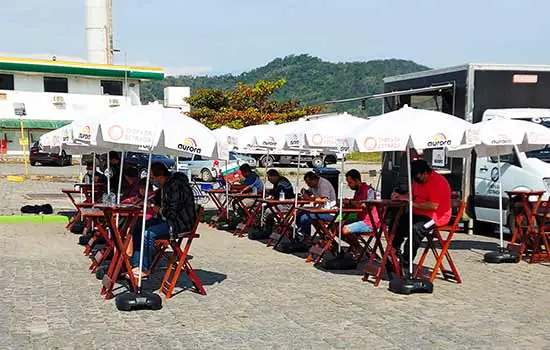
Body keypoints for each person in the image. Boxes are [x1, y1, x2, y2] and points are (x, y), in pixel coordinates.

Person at [130, 163, 196, 279]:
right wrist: (145, 201)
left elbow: (171, 212)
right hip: (167, 220)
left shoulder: (175, 186)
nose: (152, 181)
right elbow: (156, 200)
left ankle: (145, 269)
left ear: (160, 175)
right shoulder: (165, 186)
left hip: (178, 224)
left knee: (148, 234)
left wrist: (157, 209)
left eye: (152, 178)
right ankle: (136, 265)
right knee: (138, 227)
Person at [391, 159, 452, 273]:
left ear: (425, 173)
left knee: (416, 229)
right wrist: (401, 196)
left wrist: (412, 203)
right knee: (398, 220)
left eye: (418, 178)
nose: (416, 181)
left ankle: (406, 261)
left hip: (435, 217)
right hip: (419, 214)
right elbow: (412, 195)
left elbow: (433, 206)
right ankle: (393, 249)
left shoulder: (438, 182)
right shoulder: (418, 181)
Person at [341, 169, 379, 254]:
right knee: (336, 226)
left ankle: (359, 248)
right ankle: (356, 246)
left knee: (345, 229)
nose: (349, 185)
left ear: (357, 180)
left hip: (370, 222)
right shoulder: (357, 191)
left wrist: (350, 202)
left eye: (350, 183)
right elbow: (355, 204)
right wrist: (345, 203)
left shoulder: (369, 190)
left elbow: (366, 205)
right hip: (360, 219)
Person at [297, 171, 337, 238]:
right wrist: (304, 192)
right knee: (298, 214)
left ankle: (305, 236)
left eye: (309, 183)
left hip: (329, 212)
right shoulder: (313, 185)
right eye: (307, 183)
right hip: (319, 210)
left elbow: (324, 199)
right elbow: (309, 192)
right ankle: (303, 234)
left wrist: (309, 198)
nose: (308, 185)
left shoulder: (324, 185)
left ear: (315, 179)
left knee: (305, 217)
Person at [261, 169, 295, 236]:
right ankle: (269, 226)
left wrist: (269, 191)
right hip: (282, 203)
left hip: (287, 204)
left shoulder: (282, 182)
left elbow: (277, 192)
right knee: (266, 207)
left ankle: (267, 229)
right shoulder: (278, 182)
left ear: (274, 176)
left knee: (268, 210)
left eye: (269, 178)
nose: (269, 180)